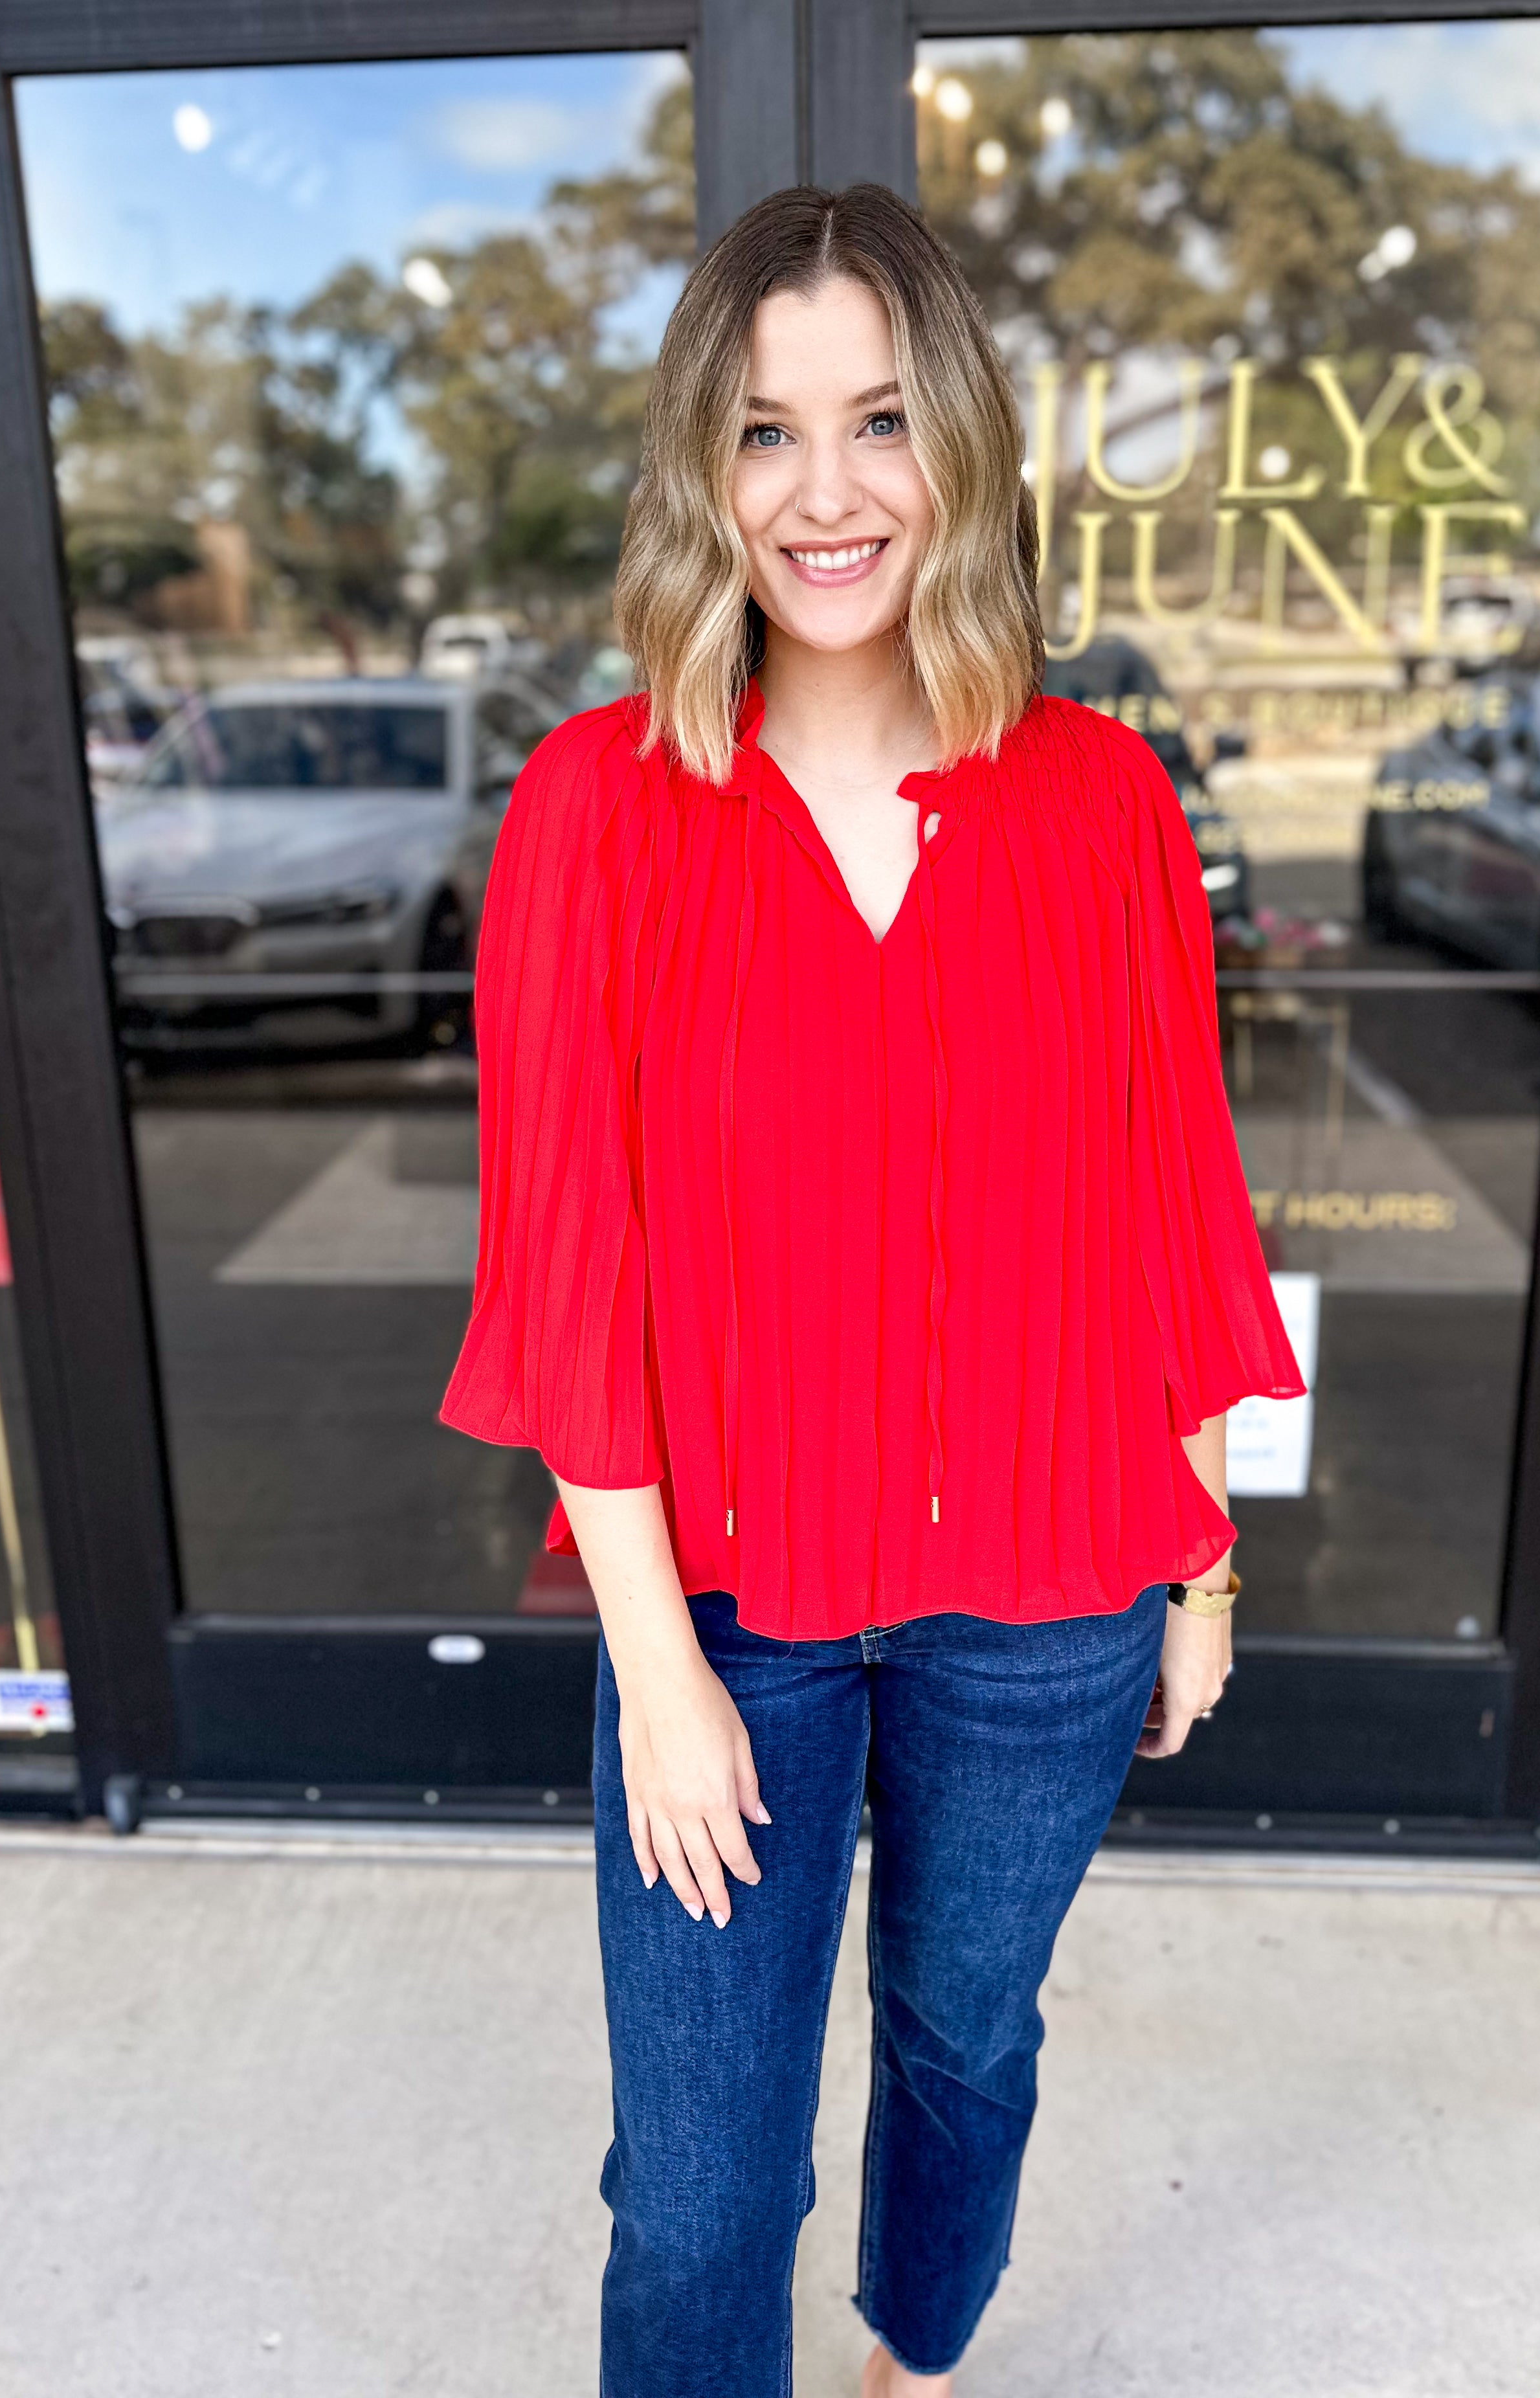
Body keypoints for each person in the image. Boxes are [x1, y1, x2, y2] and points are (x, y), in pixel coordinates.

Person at [442, 183, 1304, 2398]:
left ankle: (917, 2362)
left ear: (969, 451)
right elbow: (566, 1270)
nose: (825, 495)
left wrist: (1197, 1568)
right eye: (763, 432)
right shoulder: (590, 812)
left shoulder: (1103, 807)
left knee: (962, 2046)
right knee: (704, 2177)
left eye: (880, 422)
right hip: (718, 1608)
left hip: (1045, 1593)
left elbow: (1168, 1203)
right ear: (696, 472)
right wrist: (655, 1675)